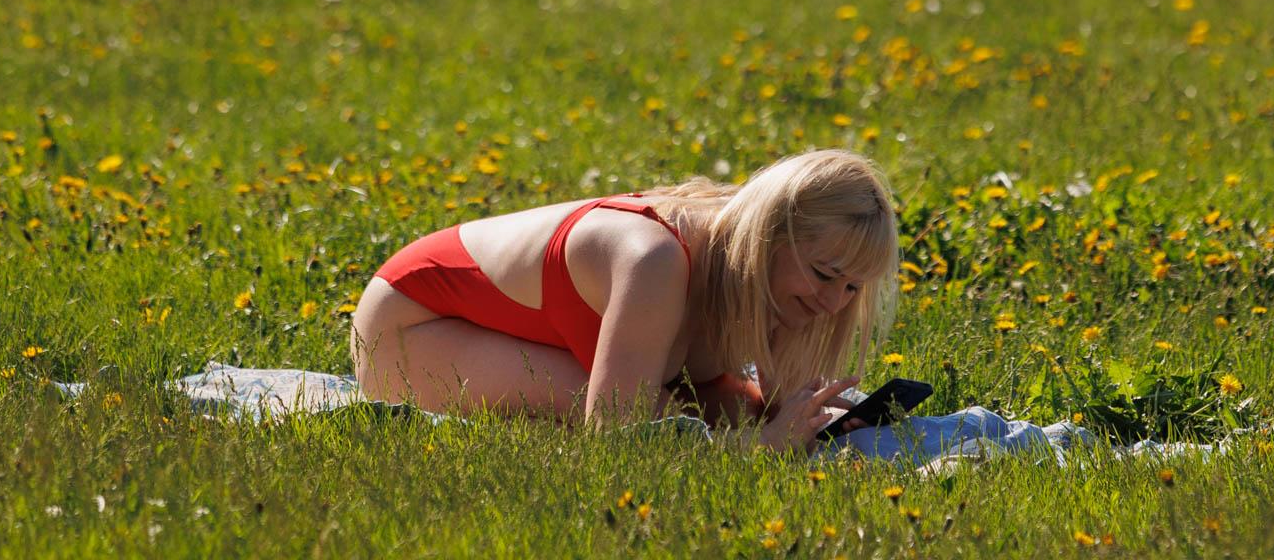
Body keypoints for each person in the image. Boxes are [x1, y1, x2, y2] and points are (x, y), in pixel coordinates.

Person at [350, 148, 899, 450]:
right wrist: (759, 450)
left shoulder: (763, 281)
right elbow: (618, 436)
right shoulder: (653, 260)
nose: (834, 304)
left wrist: (798, 412)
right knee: (662, 425)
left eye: (851, 287)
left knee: (735, 415)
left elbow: (759, 405)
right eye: (825, 275)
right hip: (410, 323)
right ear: (770, 236)